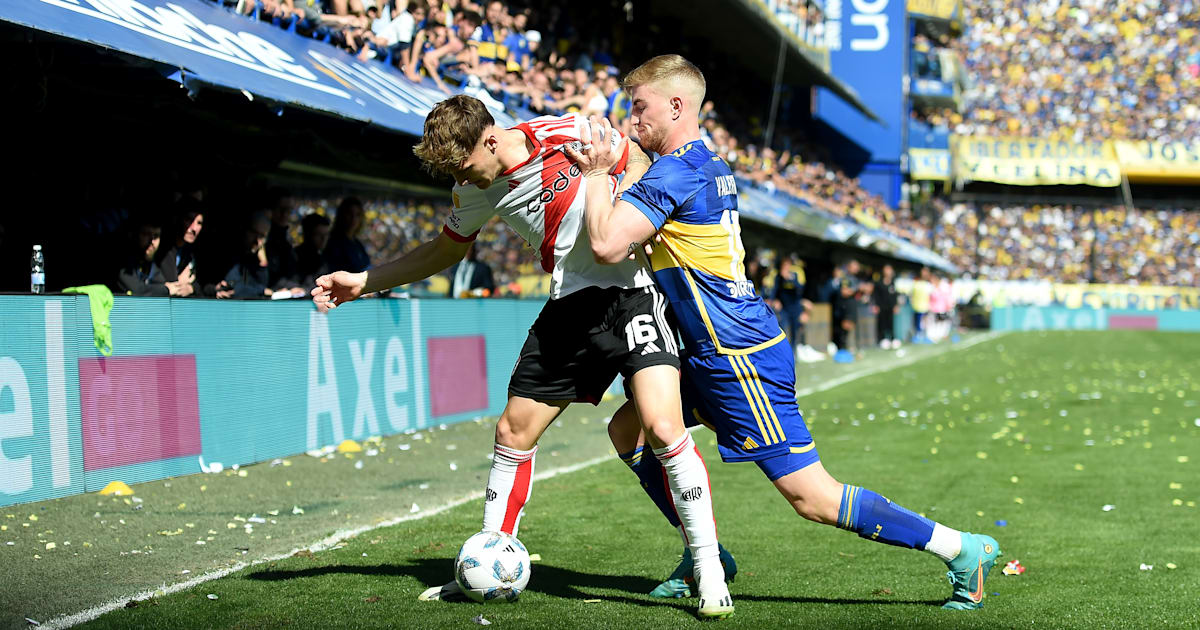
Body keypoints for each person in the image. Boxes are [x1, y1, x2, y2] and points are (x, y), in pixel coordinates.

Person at [564, 54, 1002, 611]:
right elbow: (637, 178)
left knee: (812, 498)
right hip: (708, 349)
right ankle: (707, 553)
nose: (632, 120)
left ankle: (961, 549)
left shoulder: (678, 170)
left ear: (677, 107)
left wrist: (598, 173)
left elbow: (606, 243)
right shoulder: (696, 161)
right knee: (628, 431)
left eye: (640, 107)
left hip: (735, 356)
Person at [310, 94, 733, 619]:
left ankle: (710, 568)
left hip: (634, 294)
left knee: (663, 428)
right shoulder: (474, 188)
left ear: (490, 139)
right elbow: (443, 252)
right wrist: (364, 282)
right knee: (512, 431)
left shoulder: (565, 132)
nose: (462, 179)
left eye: (464, 166)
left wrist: (633, 217)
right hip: (570, 305)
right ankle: (489, 560)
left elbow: (641, 165)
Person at [324, 197, 372, 273]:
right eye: (349, 214)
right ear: (342, 215)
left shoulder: (357, 243)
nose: (353, 219)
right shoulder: (334, 242)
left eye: (357, 215)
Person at [294, 213, 332, 289]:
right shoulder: (293, 257)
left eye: (326, 234)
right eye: (318, 234)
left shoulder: (325, 257)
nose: (323, 239)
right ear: (307, 234)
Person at [873, 264, 900, 349]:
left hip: (890, 307)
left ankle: (892, 339)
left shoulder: (893, 282)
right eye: (886, 269)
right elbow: (876, 295)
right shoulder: (879, 282)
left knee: (891, 323)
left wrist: (896, 305)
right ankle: (883, 340)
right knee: (882, 324)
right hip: (881, 307)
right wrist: (876, 305)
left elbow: (895, 295)